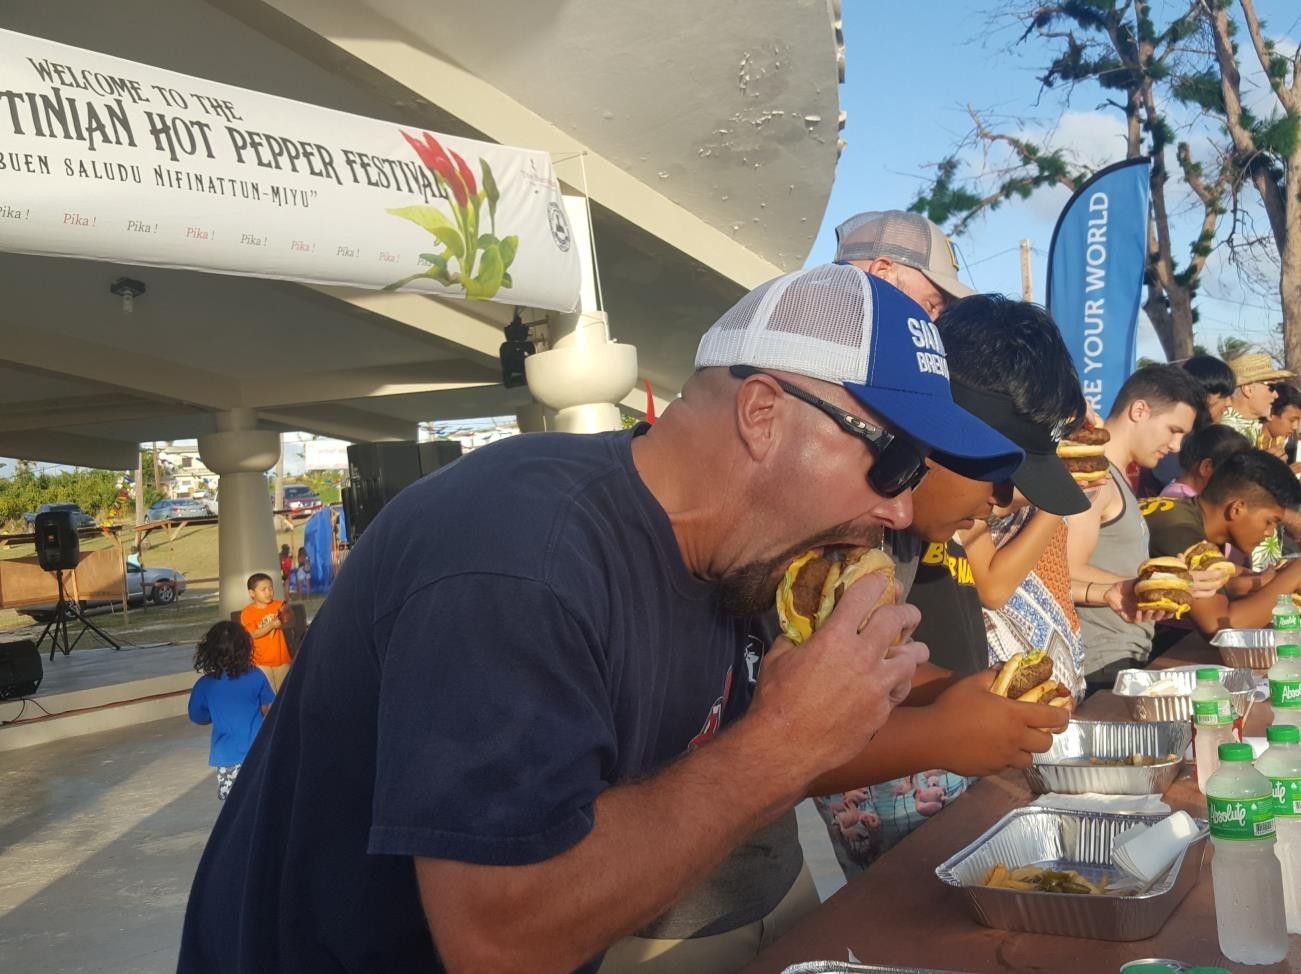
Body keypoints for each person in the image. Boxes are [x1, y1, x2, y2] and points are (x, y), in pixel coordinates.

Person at [180, 264, 1065, 974]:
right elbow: (503, 942)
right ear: (763, 413)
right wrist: (787, 743)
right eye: (894, 461)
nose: (901, 511)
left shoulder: (739, 560)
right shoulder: (515, 558)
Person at [812, 293, 1089, 878]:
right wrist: (941, 734)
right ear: (945, 431)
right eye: (1000, 474)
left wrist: (970, 696)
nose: (1004, 501)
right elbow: (768, 740)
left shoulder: (910, 532)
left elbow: (880, 664)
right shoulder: (819, 532)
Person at [1067, 364, 1211, 690]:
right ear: (1140, 410)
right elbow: (1062, 570)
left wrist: (1169, 583)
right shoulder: (1096, 479)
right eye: (1173, 429)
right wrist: (1144, 587)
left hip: (1120, 658)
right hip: (1099, 663)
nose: (1176, 446)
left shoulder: (1114, 478)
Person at [1146, 449, 1301, 635]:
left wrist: (1270, 580)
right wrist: (1295, 572)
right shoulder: (1179, 531)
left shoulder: (1184, 515)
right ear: (1236, 509)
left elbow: (1224, 584)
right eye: (1269, 522)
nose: (1269, 533)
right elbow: (1222, 629)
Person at [187, 621, 274, 801]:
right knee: (261, 800)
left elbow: (197, 716)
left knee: (234, 807)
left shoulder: (205, 685)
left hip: (227, 756)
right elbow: (269, 709)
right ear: (246, 648)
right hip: (258, 751)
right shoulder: (256, 675)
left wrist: (213, 715)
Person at [1160, 425, 1252, 499]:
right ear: (1206, 467)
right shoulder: (1180, 501)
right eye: (1233, 473)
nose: (1238, 482)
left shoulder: (1187, 497)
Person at [238, 572, 292, 693]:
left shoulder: (278, 605)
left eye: (270, 588)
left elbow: (289, 618)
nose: (268, 592)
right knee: (269, 694)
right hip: (261, 662)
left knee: (284, 692)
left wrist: (286, 612)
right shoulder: (248, 612)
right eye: (263, 589)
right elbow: (253, 634)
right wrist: (271, 625)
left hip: (281, 659)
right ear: (252, 593)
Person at [1220, 352, 1292, 442]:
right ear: (1248, 389)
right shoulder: (1225, 433)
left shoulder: (1258, 427)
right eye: (1272, 387)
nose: (1276, 395)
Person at [1262, 381, 1301, 466]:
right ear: (1271, 413)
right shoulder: (1247, 442)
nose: (1295, 427)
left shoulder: (1283, 443)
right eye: (1292, 420)